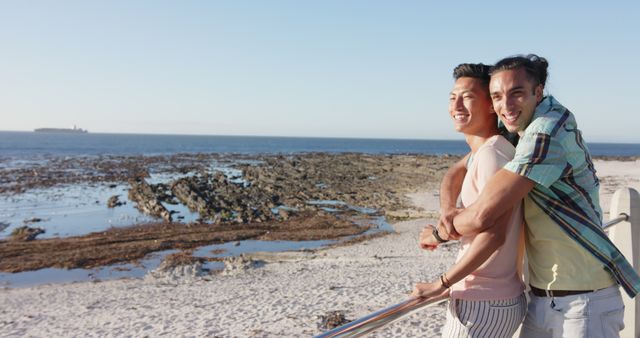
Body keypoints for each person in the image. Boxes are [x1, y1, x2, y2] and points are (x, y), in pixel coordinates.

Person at [425, 54, 640, 338]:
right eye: (497, 96)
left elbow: (483, 215)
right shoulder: (519, 127)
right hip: (540, 298)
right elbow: (457, 169)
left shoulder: (545, 132)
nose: (506, 105)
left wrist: (439, 237)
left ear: (538, 92)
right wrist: (447, 209)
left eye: (516, 93)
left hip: (584, 301)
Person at [411, 63, 526, 338]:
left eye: (468, 96)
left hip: (483, 302)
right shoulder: (486, 151)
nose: (457, 105)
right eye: (453, 97)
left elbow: (494, 235)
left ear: (491, 106)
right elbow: (453, 174)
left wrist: (441, 284)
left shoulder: (491, 156)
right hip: (490, 299)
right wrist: (447, 213)